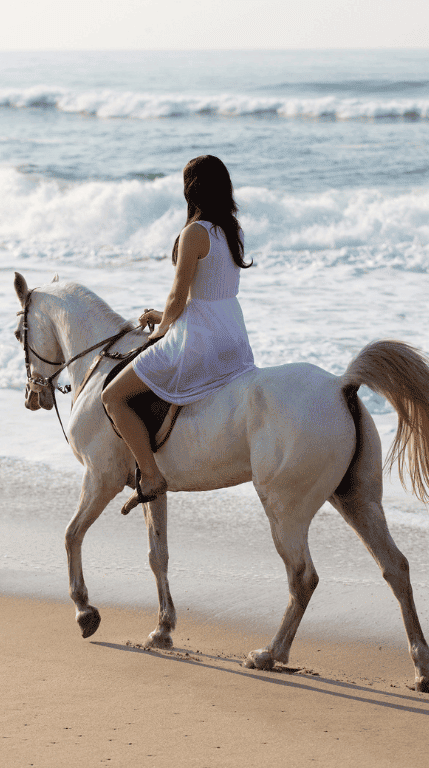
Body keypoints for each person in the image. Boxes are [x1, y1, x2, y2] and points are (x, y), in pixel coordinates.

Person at [102, 155, 256, 513]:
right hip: (232, 336)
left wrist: (163, 328)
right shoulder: (232, 230)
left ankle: (152, 474)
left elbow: (178, 296)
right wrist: (163, 314)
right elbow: (208, 293)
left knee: (113, 396)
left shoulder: (194, 233)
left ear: (192, 189)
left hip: (199, 337)